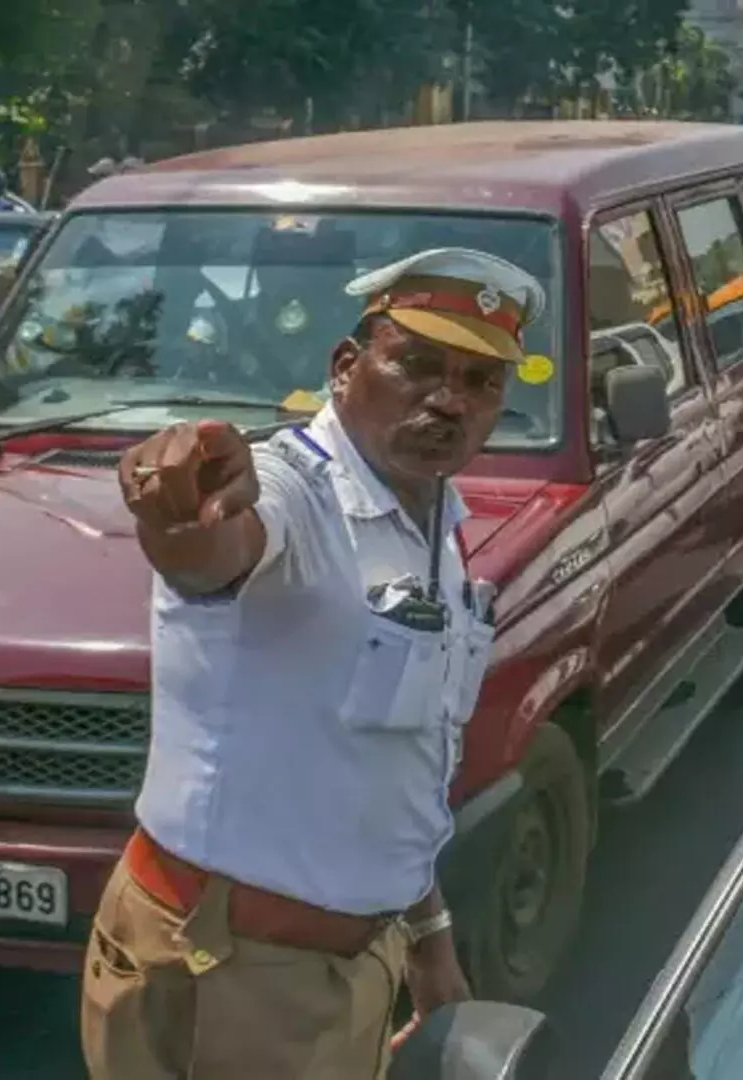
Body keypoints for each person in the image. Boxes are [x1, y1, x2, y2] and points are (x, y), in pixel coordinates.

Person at [84, 247, 541, 1079]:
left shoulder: (430, 519)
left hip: (349, 961)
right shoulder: (292, 489)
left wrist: (428, 940)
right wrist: (179, 509)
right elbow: (213, 547)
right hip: (227, 973)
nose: (450, 400)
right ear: (345, 366)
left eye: (482, 384)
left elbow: (391, 766)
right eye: (420, 366)